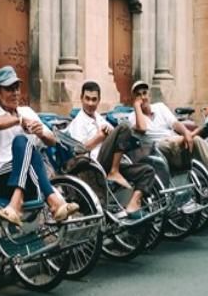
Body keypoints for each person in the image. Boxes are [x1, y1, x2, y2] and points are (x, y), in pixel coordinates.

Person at [0, 65, 79, 227]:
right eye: (9, 89)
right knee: (22, 141)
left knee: (31, 148)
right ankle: (53, 200)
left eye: (17, 88)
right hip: (4, 177)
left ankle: (16, 203)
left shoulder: (27, 111)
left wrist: (41, 133)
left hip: (32, 180)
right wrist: (19, 121)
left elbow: (52, 141)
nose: (15, 93)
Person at [126, 80, 208, 190]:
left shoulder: (160, 107)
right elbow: (142, 128)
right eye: (138, 95)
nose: (143, 97)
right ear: (134, 98)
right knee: (166, 142)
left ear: (149, 95)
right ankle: (195, 133)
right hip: (158, 149)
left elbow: (175, 124)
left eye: (144, 93)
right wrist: (137, 106)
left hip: (178, 145)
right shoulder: (133, 117)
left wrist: (187, 133)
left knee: (197, 139)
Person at [65, 80, 155, 218]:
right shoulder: (78, 122)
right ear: (81, 99)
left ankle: (133, 203)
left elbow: (117, 137)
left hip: (112, 161)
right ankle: (114, 171)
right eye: (87, 99)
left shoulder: (99, 118)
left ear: (99, 100)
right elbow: (80, 150)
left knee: (147, 171)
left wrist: (109, 133)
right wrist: (100, 137)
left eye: (94, 99)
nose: (90, 103)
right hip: (94, 165)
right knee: (124, 127)